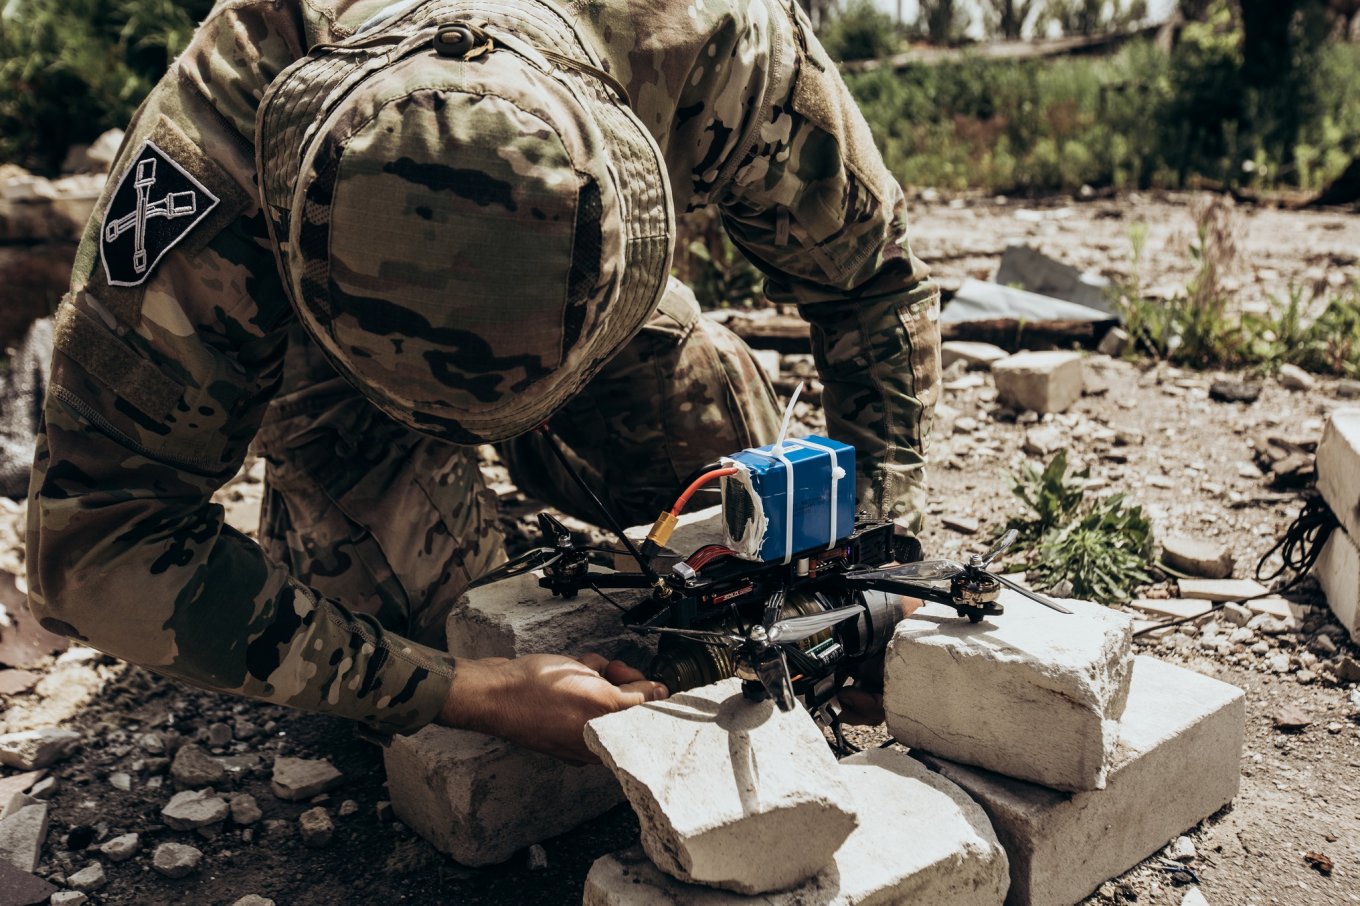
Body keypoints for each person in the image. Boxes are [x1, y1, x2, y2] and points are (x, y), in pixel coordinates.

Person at [27, 0, 940, 764]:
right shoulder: (218, 130)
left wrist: (869, 555)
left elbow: (873, 286)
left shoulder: (717, 42)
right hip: (337, 382)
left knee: (742, 531)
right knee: (400, 643)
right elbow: (96, 536)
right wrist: (464, 691)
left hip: (594, 326)